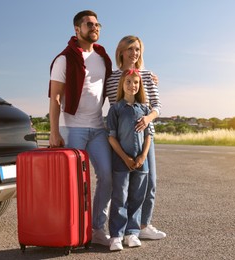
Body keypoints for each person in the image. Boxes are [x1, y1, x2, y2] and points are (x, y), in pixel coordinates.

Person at [48, 10, 113, 246]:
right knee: (75, 183)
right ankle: (73, 230)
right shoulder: (64, 59)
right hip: (73, 128)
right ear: (77, 29)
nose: (94, 27)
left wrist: (148, 76)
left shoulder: (103, 57)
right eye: (89, 24)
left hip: (97, 128)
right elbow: (55, 98)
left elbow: (121, 79)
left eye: (97, 24)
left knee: (107, 176)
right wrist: (54, 132)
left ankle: (97, 228)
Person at [106, 35, 166, 240]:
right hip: (121, 139)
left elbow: (157, 106)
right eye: (130, 49)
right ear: (121, 51)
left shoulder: (148, 76)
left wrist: (148, 119)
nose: (134, 53)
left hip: (145, 138)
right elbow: (113, 107)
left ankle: (143, 225)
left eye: (138, 49)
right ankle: (122, 230)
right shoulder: (112, 78)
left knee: (149, 182)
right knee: (122, 188)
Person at [107, 69, 152, 251]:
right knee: (120, 197)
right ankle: (116, 235)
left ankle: (131, 233)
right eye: (128, 82)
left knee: (137, 197)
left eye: (136, 82)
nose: (132, 85)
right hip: (121, 161)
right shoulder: (116, 109)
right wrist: (125, 158)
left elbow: (149, 136)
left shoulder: (145, 109)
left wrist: (142, 156)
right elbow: (111, 137)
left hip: (141, 162)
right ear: (122, 84)